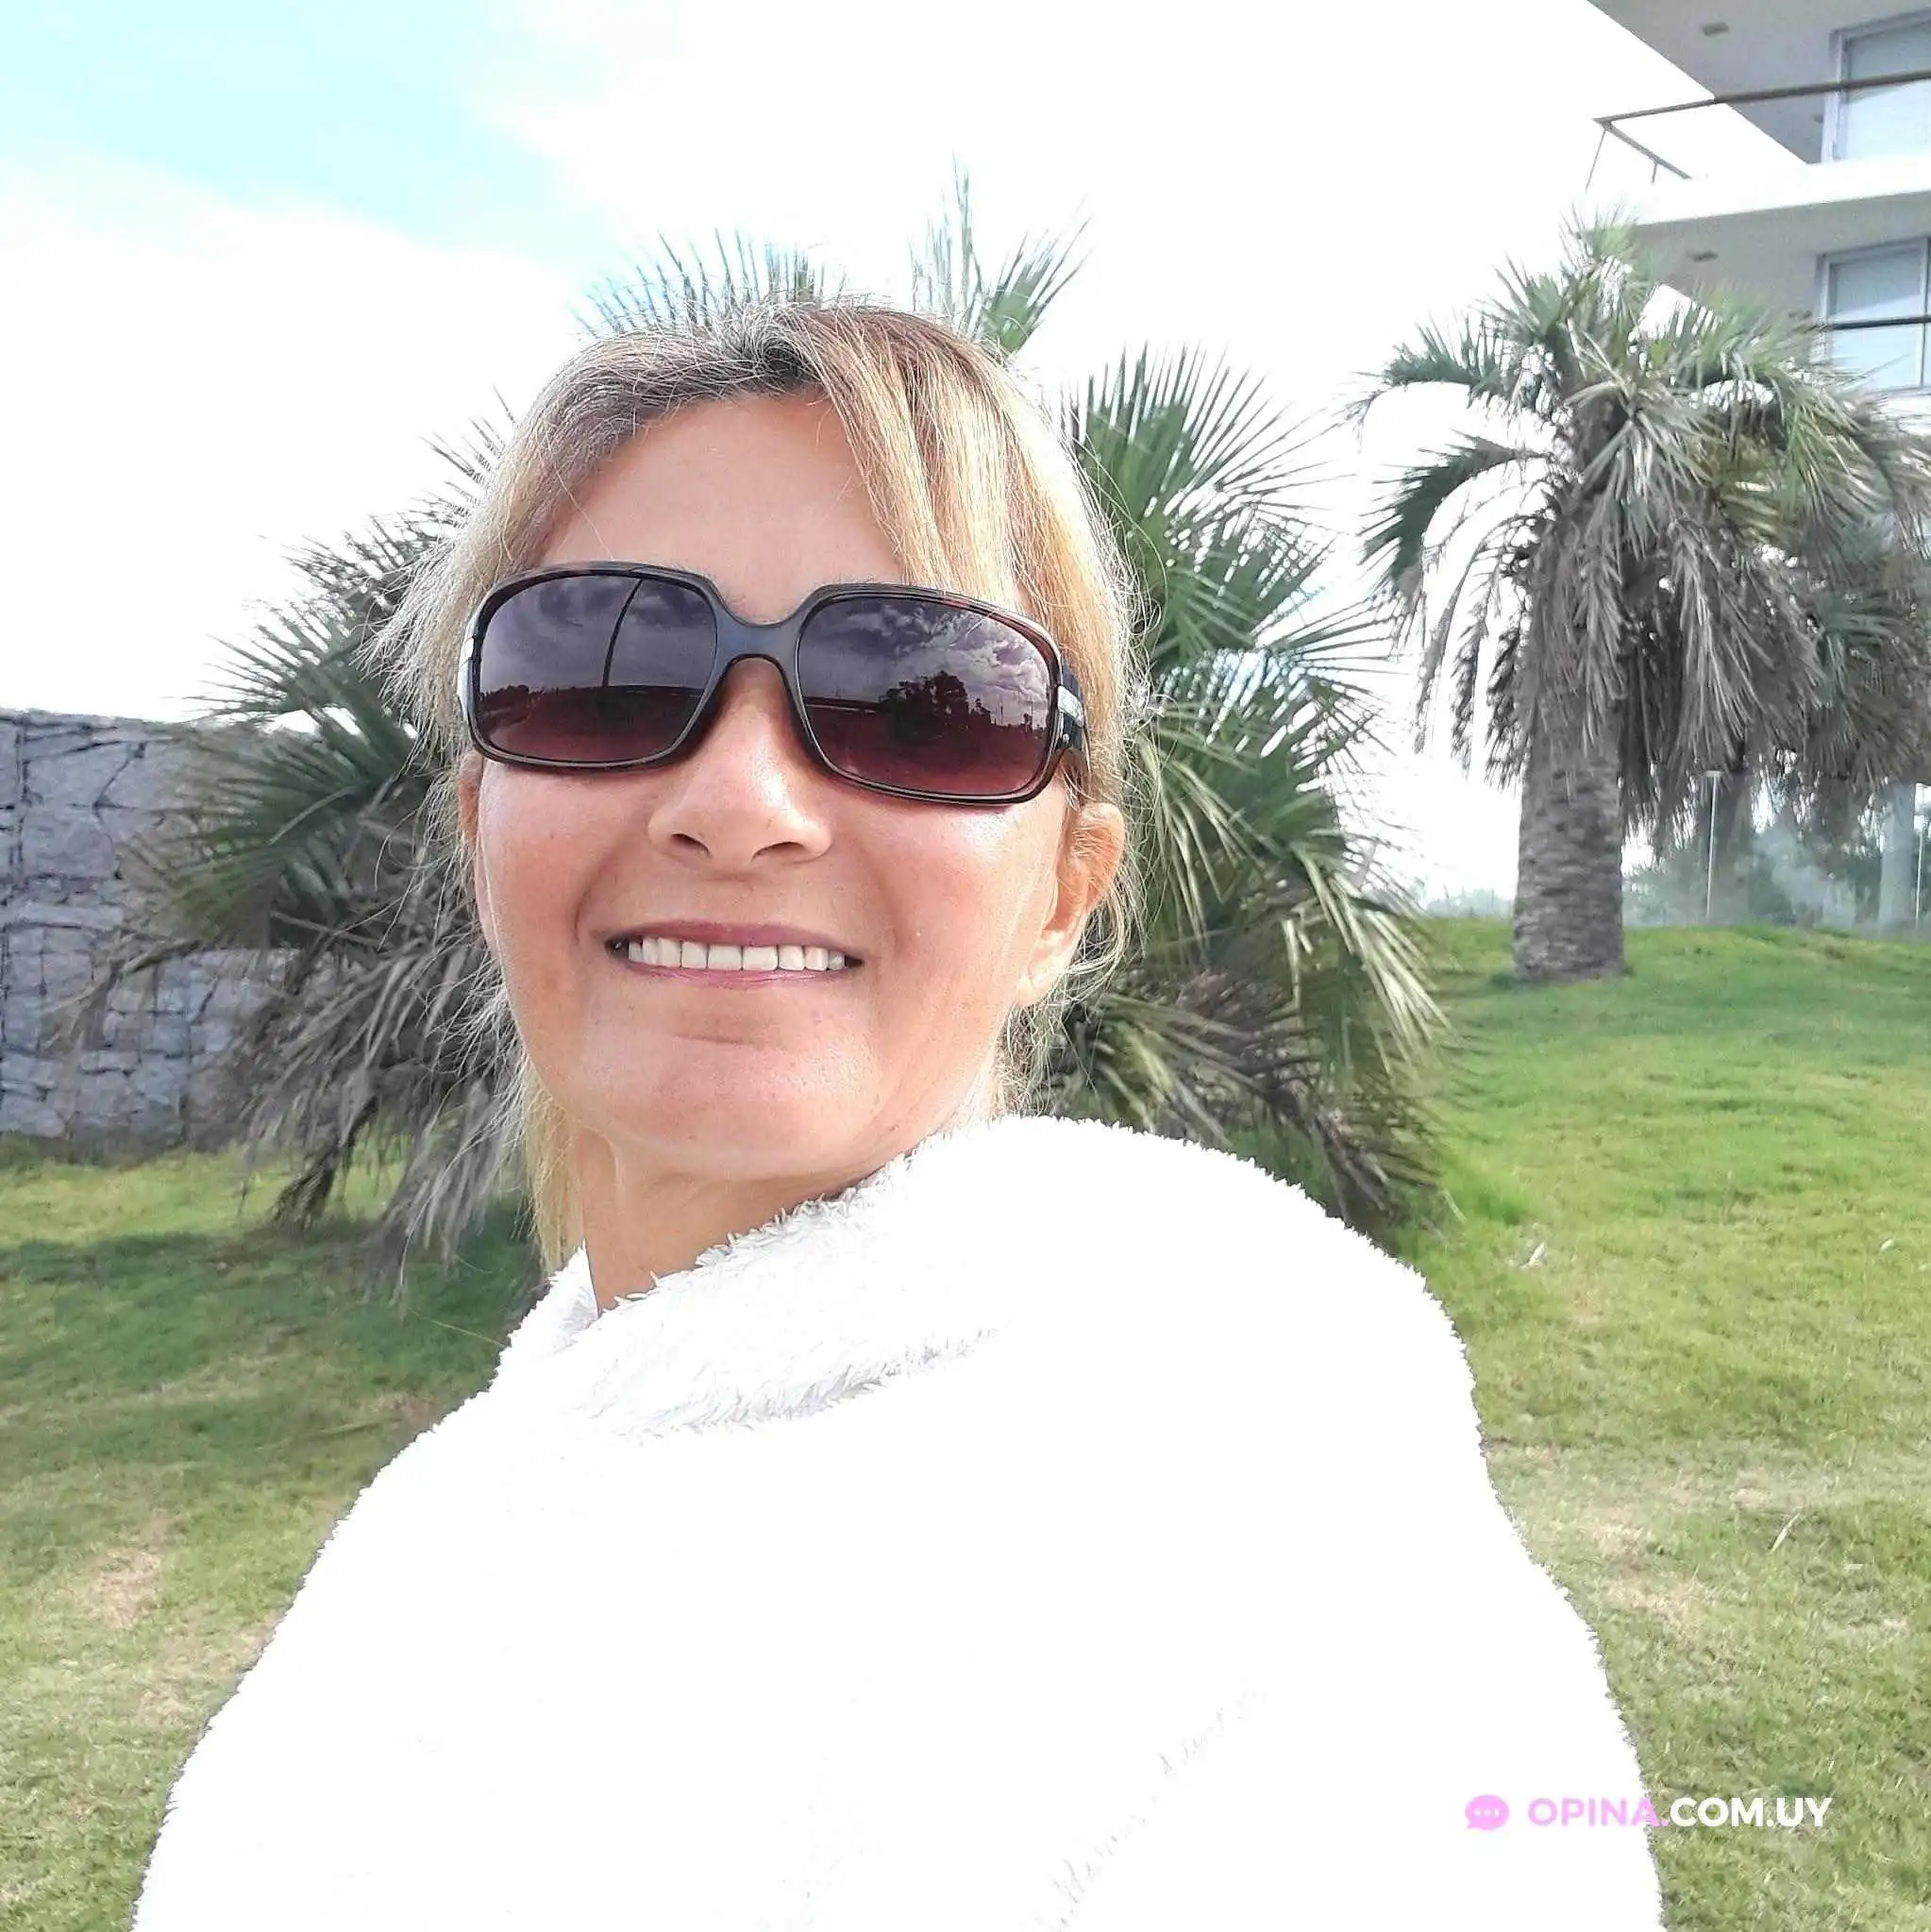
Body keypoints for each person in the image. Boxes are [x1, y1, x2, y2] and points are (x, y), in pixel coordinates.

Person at [130, 300, 1665, 1929]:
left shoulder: (1295, 1578)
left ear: (1065, 893)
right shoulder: (441, 1517)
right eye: (600, 670)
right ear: (477, 823)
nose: (738, 803)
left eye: (925, 702)